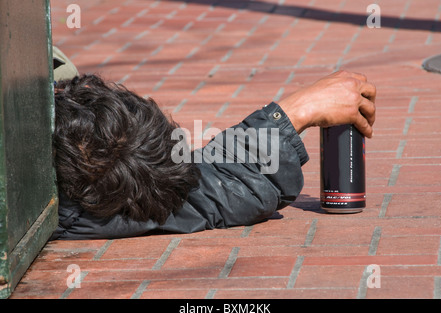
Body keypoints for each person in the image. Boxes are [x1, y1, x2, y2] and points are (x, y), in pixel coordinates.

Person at [51, 57, 376, 240]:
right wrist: (294, 111)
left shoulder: (67, 197)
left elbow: (195, 191)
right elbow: (209, 193)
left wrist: (292, 113)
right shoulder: (70, 205)